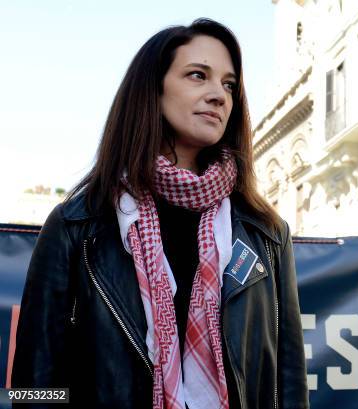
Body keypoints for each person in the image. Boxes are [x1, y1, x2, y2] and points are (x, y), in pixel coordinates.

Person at [11, 18, 309, 409]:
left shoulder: (266, 233)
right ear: (152, 90)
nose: (218, 95)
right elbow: (34, 385)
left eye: (229, 84)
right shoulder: (76, 226)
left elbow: (288, 387)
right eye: (198, 75)